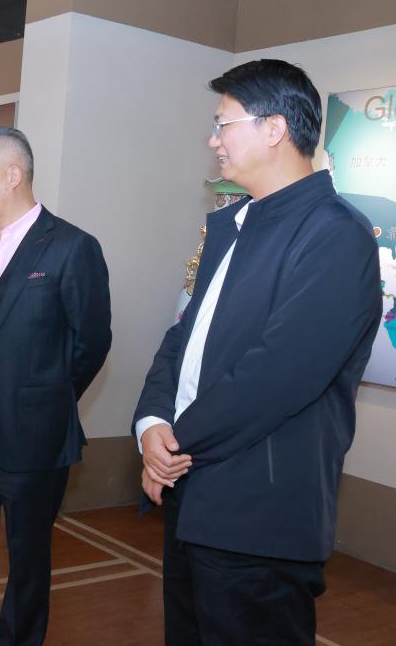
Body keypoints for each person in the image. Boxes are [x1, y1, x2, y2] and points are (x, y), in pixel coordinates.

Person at [132, 59, 381, 646]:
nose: (213, 140)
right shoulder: (232, 225)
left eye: (223, 124)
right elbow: (182, 339)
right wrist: (151, 424)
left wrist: (173, 446)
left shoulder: (336, 235)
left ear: (274, 129)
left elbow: (275, 377)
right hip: (194, 494)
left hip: (259, 515)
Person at [0, 126, 112, 646]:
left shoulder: (72, 247)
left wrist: (44, 398)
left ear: (13, 175)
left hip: (34, 437)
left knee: (27, 559)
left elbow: (91, 343)